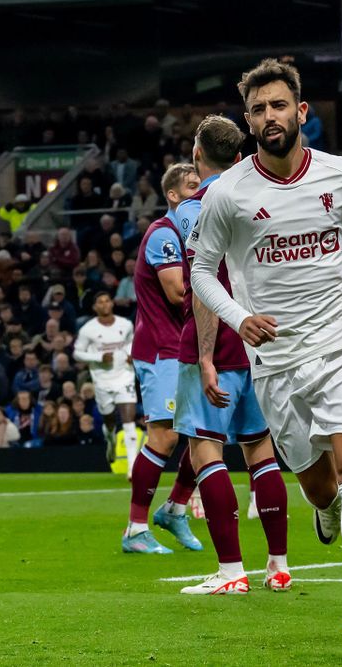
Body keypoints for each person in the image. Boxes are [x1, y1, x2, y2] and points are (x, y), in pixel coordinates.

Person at [189, 59, 342, 646]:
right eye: (257, 110)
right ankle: (325, 511)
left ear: (301, 112)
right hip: (276, 362)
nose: (269, 117)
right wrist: (239, 317)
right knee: (321, 485)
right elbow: (202, 271)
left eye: (279, 105)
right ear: (248, 122)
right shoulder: (226, 194)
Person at [170, 115, 289, 594]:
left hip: (218, 338)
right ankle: (278, 566)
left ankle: (230, 572)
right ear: (239, 157)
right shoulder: (263, 196)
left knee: (206, 452)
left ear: (197, 157)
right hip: (260, 339)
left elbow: (202, 285)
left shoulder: (191, 209)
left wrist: (204, 356)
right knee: (260, 449)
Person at [124, 162, 203, 555]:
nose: (199, 191)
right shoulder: (165, 234)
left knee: (206, 432)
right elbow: (176, 293)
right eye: (192, 187)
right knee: (166, 435)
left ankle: (174, 508)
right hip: (162, 348)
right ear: (173, 195)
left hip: (189, 345)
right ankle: (135, 528)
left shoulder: (195, 237)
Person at [72, 292, 139, 465]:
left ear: (112, 303)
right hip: (102, 380)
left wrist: (132, 353)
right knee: (109, 420)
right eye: (100, 302)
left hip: (125, 375)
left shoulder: (125, 324)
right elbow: (77, 353)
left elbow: (131, 341)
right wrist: (98, 358)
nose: (104, 304)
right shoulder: (88, 329)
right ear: (95, 307)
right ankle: (111, 439)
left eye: (107, 301)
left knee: (128, 420)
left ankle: (132, 467)